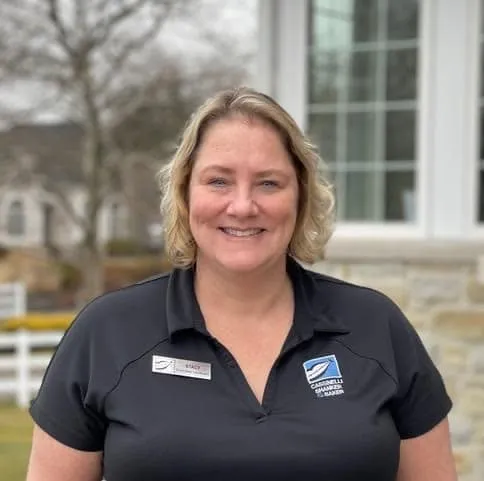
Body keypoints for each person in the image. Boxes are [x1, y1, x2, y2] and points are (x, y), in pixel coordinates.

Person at [26, 87, 458, 481]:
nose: (243, 206)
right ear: (185, 193)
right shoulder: (107, 332)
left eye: (268, 183)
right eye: (219, 181)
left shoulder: (375, 326)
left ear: (300, 195)